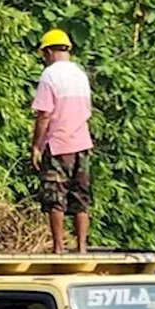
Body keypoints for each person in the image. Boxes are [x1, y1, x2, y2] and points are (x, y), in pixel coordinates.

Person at [31, 28, 93, 254]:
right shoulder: (80, 74)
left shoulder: (50, 75)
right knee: (81, 196)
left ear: (47, 52)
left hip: (58, 145)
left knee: (54, 196)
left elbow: (44, 114)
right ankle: (82, 247)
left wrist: (37, 146)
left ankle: (58, 247)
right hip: (83, 144)